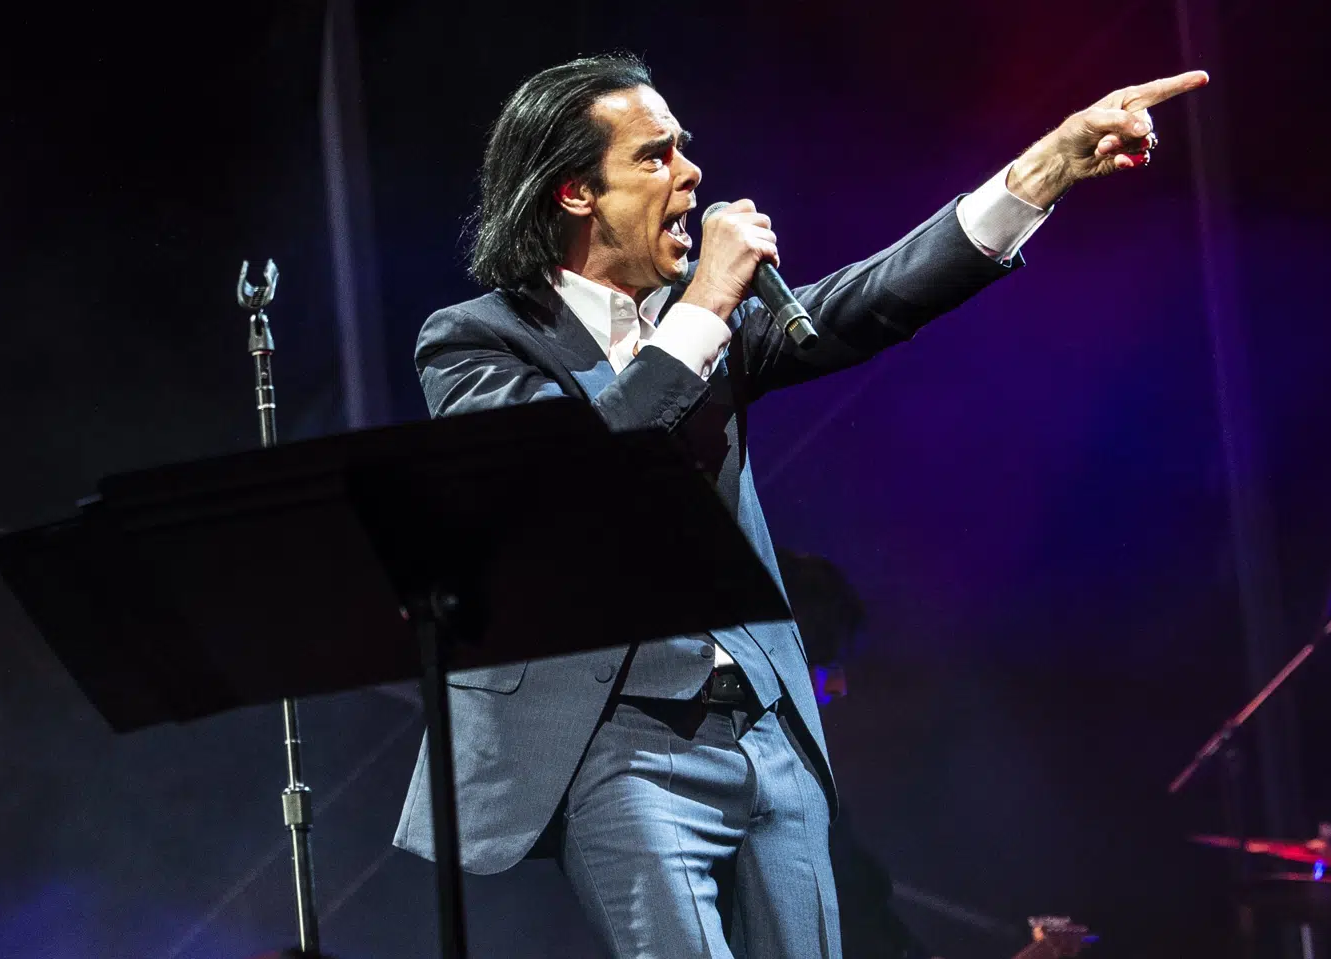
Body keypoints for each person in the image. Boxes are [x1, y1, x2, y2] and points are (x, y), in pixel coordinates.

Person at [393, 54, 1206, 958]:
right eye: (656, 157)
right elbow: (579, 475)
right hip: (617, 744)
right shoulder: (478, 341)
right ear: (577, 192)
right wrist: (704, 303)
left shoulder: (709, 321)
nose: (691, 174)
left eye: (684, 150)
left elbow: (875, 295)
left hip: (767, 725)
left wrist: (1048, 165)